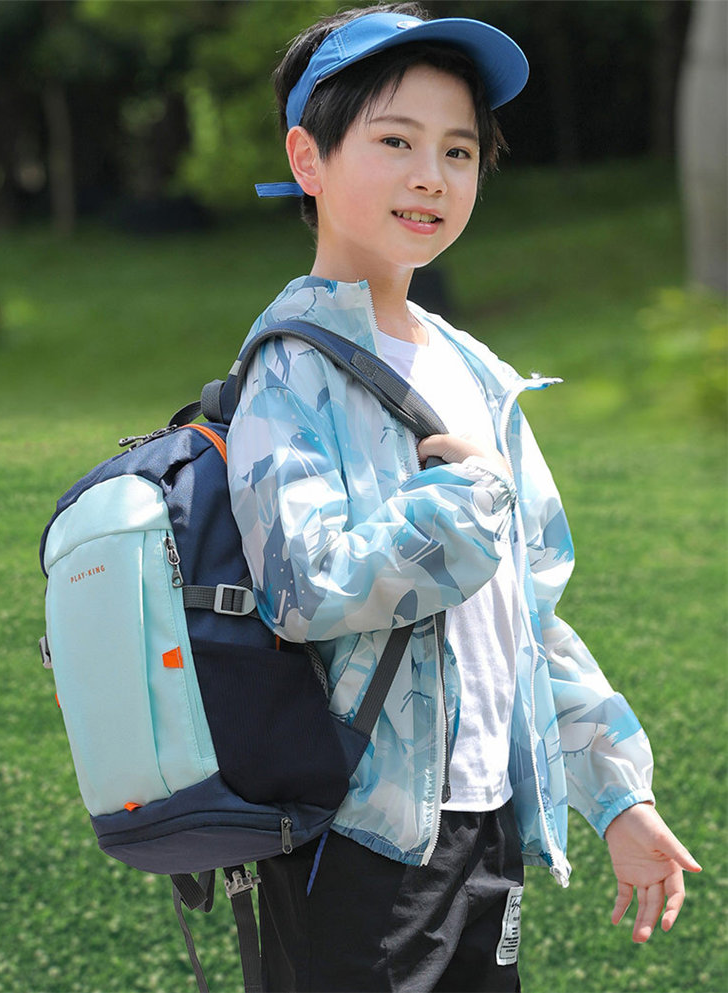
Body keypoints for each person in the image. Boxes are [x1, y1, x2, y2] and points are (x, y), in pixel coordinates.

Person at [226, 5, 701, 991]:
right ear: (309, 159)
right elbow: (303, 586)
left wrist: (617, 793)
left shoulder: (477, 372)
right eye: (396, 142)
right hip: (357, 834)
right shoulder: (293, 368)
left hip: (486, 822)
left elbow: (530, 613)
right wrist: (467, 506)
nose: (431, 176)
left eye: (459, 150)